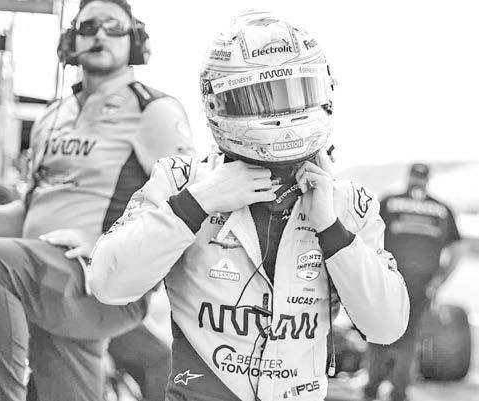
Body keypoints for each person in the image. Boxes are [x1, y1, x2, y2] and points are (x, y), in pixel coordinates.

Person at [90, 11, 409, 401]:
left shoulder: (348, 203)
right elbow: (108, 283)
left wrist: (332, 230)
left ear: (324, 92)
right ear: (217, 103)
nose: (281, 113)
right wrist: (198, 203)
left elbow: (387, 326)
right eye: (260, 97)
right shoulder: (181, 182)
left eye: (295, 92)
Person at [0, 0, 193, 400]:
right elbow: (31, 210)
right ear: (71, 41)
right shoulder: (53, 114)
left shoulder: (154, 110)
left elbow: (187, 206)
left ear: (135, 40)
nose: (100, 34)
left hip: (102, 281)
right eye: (88, 26)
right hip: (40, 276)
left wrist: (106, 241)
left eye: (114, 26)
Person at [363, 163, 462, 401]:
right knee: (410, 337)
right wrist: (438, 281)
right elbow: (457, 250)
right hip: (421, 285)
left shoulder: (389, 202)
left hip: (390, 281)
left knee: (378, 332)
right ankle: (398, 391)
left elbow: (367, 237)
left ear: (409, 178)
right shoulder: (442, 209)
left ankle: (373, 388)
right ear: (427, 180)